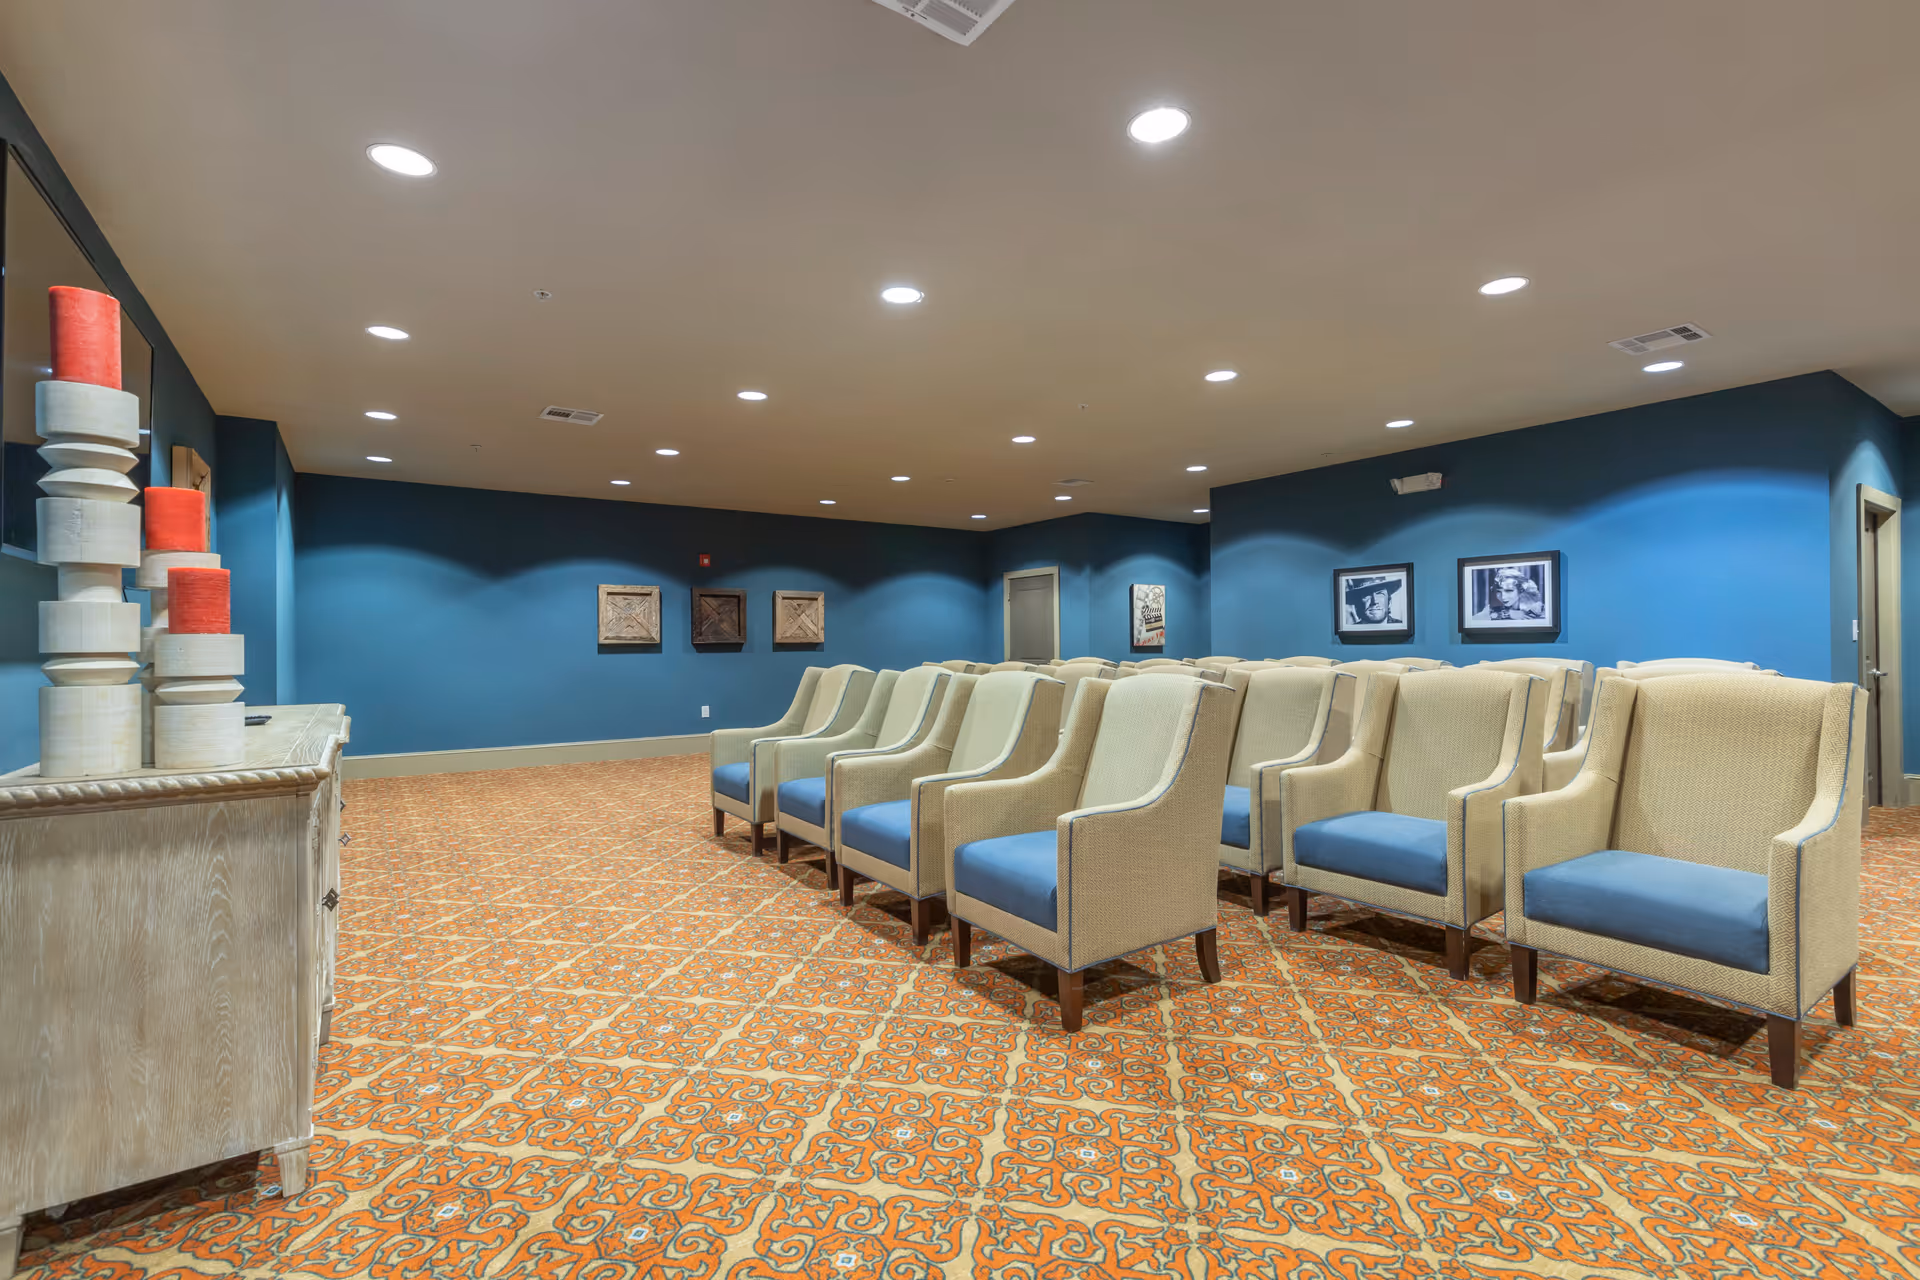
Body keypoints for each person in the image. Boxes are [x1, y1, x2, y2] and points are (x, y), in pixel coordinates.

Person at [1474, 566, 1546, 622]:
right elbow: (1473, 620)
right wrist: (1508, 614)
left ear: (1521, 589)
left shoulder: (1538, 609)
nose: (1503, 597)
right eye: (1499, 591)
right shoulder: (1493, 610)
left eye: (1509, 591)